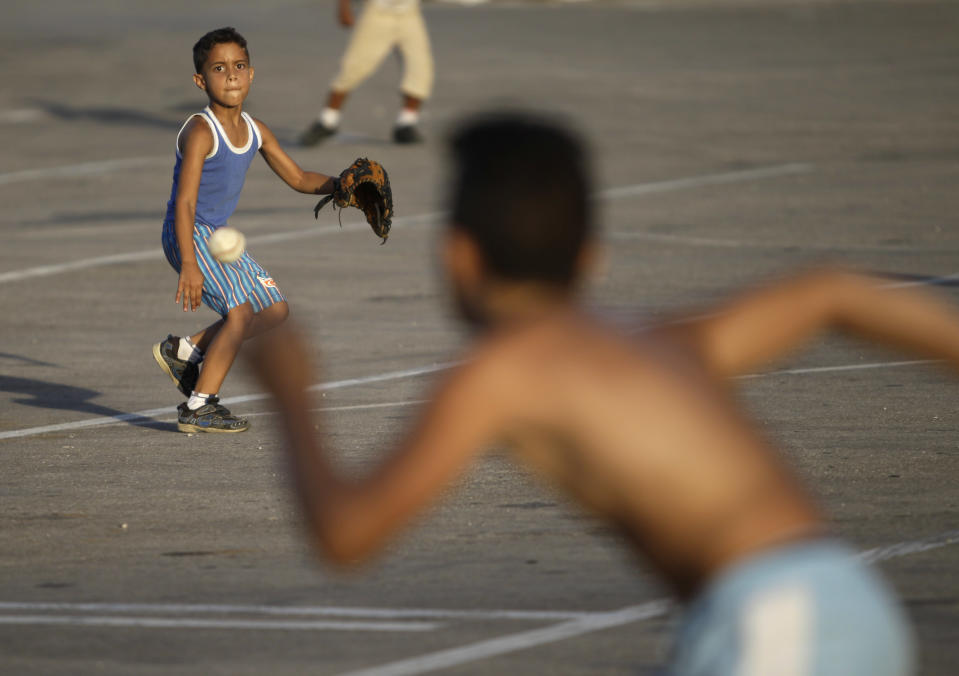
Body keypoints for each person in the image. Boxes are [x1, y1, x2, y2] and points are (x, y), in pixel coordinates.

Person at [246, 112, 952, 674]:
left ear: (457, 256)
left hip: (769, 621)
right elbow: (827, 291)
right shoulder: (658, 339)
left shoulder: (501, 371)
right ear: (590, 256)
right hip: (840, 596)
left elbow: (347, 533)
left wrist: (290, 390)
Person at [153, 27, 339, 434]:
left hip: (213, 234)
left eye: (238, 66)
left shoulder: (256, 129)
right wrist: (188, 262)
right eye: (219, 69)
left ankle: (183, 351)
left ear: (251, 74)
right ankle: (199, 406)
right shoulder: (201, 131)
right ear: (201, 81)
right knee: (239, 313)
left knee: (274, 309)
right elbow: (184, 202)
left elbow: (299, 177)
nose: (231, 75)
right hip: (187, 232)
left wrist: (342, 186)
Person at [299, 0, 434, 146]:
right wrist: (344, 8)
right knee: (353, 67)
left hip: (410, 14)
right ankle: (327, 121)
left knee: (420, 67)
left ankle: (406, 123)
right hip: (379, 12)